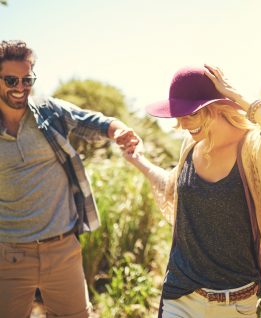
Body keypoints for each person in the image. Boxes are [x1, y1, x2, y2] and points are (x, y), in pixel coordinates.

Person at [119, 64, 261, 318]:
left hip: (237, 303)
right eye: (179, 116)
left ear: (216, 107)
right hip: (181, 295)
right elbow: (173, 189)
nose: (182, 124)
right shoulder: (190, 146)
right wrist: (139, 160)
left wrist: (236, 95)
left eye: (190, 115)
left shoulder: (253, 150)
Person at [0, 40, 139, 318]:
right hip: (8, 255)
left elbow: (94, 121)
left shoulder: (48, 111)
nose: (20, 87)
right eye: (11, 80)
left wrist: (120, 131)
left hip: (61, 248)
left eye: (27, 79)